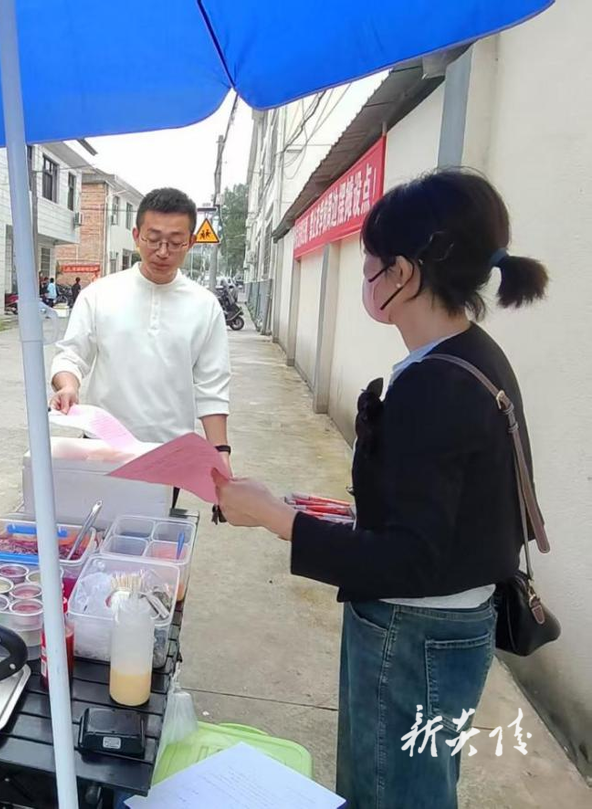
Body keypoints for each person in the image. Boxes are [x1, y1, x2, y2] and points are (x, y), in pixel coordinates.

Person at [211, 169, 549, 809]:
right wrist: (341, 516)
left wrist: (279, 521)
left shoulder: (435, 384)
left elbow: (412, 558)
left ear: (402, 272)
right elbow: (448, 514)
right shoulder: (471, 355)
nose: (364, 274)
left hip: (414, 633)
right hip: (446, 627)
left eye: (369, 261)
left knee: (388, 793)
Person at [50, 187, 232, 471]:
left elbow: (212, 388)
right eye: (153, 239)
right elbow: (71, 356)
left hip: (171, 451)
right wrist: (68, 386)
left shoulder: (205, 306)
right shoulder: (100, 294)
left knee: (158, 516)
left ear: (192, 242)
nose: (162, 252)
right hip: (102, 445)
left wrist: (220, 452)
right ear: (137, 236)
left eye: (175, 243)